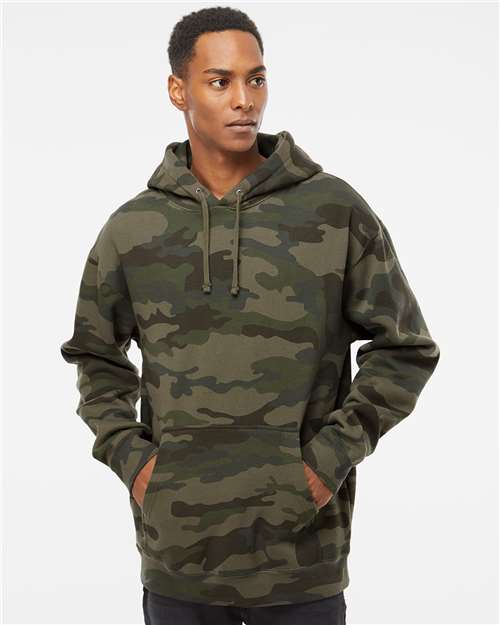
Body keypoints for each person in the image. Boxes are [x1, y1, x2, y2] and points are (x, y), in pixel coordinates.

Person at [60, 6, 440, 625]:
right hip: (178, 559)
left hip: (304, 560)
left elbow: (405, 349)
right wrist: (135, 463)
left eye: (256, 79)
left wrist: (327, 462)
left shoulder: (334, 210)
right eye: (220, 81)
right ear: (178, 90)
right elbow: (94, 357)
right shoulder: (133, 228)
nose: (244, 100)